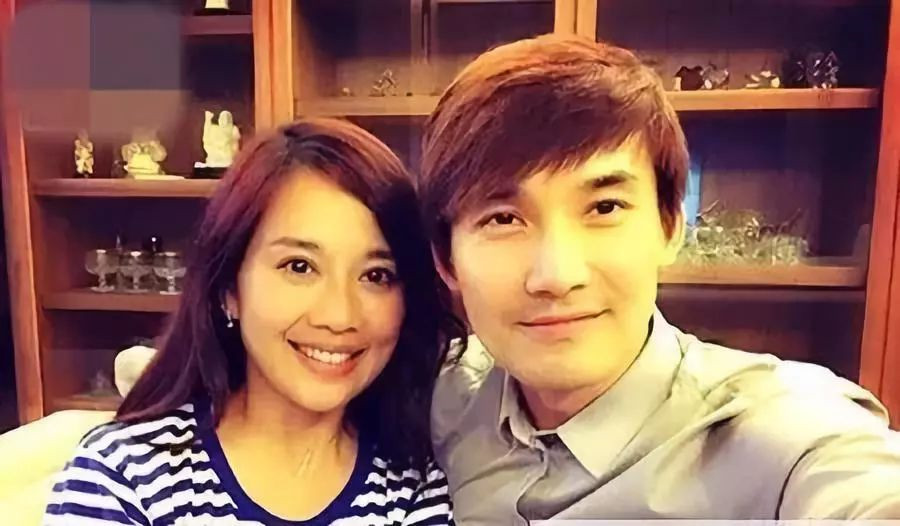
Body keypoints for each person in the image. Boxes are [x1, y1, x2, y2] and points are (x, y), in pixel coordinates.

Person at [421, 34, 900, 523]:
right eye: (502, 219)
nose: (557, 276)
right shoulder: (442, 396)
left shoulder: (783, 435)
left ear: (670, 227)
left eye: (605, 208)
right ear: (445, 259)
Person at [45, 118, 458, 525]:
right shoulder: (123, 478)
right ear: (229, 288)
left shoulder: (414, 487)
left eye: (376, 275)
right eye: (299, 266)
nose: (339, 316)